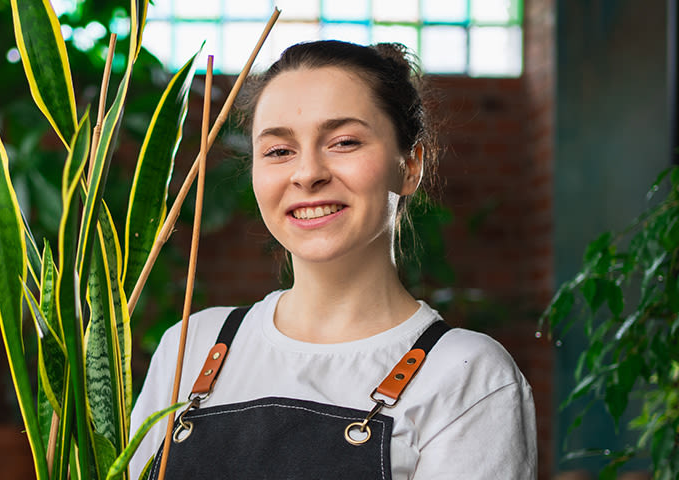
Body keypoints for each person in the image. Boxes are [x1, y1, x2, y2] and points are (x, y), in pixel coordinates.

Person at [129, 40, 537, 479]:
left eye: (343, 142)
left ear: (410, 166)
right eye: (279, 151)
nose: (307, 174)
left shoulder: (467, 376)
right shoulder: (191, 346)